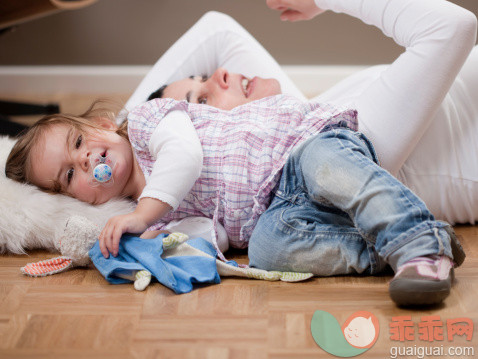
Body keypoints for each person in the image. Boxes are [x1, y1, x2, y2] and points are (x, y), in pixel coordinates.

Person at [4, 0, 473, 307]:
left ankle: (413, 241)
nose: (85, 160)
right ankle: (397, 247)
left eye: (81, 145)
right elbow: (212, 238)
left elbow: (183, 152)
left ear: (106, 125)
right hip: (281, 200)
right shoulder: (156, 212)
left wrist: (137, 207)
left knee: (320, 160)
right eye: (69, 176)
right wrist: (148, 249)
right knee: (268, 250)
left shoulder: (153, 126)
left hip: (305, 155)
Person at [124, 0, 478, 226]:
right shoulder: (338, 154)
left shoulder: (297, 123)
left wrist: (121, 134)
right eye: (203, 100)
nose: (222, 73)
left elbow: (216, 30)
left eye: (204, 78)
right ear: (220, 143)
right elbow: (452, 26)